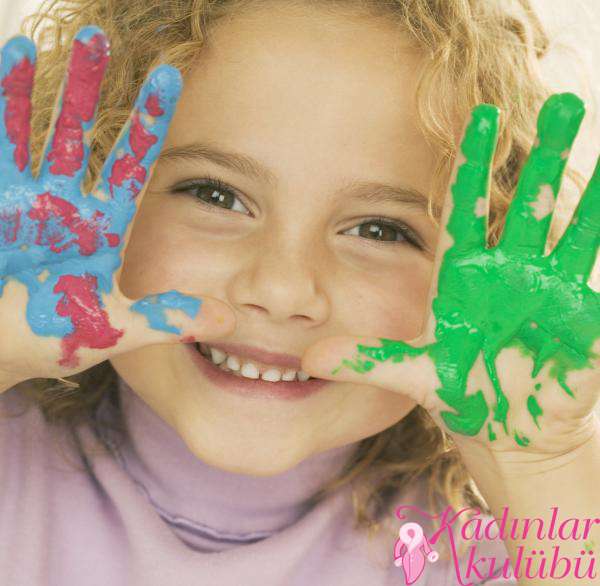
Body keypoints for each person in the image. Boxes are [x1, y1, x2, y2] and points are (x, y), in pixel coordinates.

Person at [0, 0, 597, 584]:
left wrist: (539, 469)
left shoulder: (480, 557)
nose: (283, 290)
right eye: (216, 195)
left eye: (379, 230)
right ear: (93, 181)